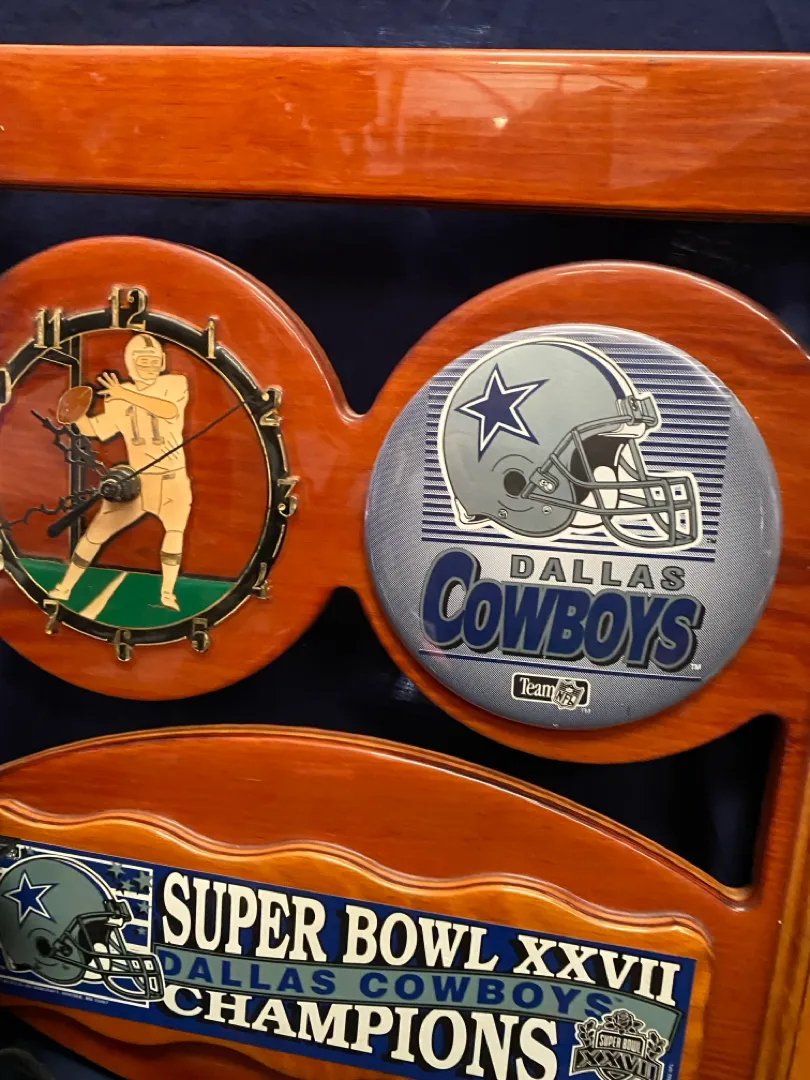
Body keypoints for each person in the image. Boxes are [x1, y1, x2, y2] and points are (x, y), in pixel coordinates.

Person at [48, 334, 192, 611]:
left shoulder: (174, 383)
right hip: (136, 480)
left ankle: (167, 594)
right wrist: (76, 415)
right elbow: (98, 430)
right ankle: (65, 587)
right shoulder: (119, 397)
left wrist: (125, 394)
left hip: (172, 477)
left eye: (153, 360)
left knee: (175, 532)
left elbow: (168, 410)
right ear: (131, 363)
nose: (149, 365)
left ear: (162, 361)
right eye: (142, 360)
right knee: (96, 533)